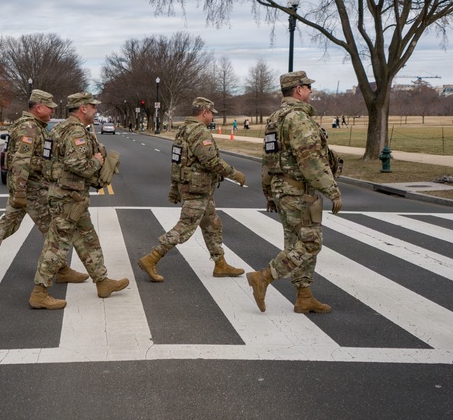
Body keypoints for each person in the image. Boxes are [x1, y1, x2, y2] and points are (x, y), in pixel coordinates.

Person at [0, 89, 87, 285]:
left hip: (26, 188)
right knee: (53, 231)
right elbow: (21, 162)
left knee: (7, 225)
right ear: (38, 107)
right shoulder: (30, 128)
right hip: (31, 189)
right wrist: (21, 192)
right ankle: (61, 270)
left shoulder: (32, 126)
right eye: (49, 108)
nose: (52, 112)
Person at [247, 71, 342, 315]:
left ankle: (304, 297)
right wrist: (332, 190)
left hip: (283, 189)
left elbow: (268, 159)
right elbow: (311, 160)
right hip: (299, 191)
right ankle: (264, 277)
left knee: (295, 244)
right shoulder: (298, 118)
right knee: (311, 243)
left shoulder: (275, 119)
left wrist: (269, 192)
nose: (311, 90)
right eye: (308, 86)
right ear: (298, 89)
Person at [30, 92, 128, 309]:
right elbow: (77, 164)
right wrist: (96, 161)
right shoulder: (75, 132)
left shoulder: (59, 128)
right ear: (83, 108)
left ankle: (102, 282)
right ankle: (39, 292)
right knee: (57, 245)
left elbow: (48, 163)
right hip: (68, 198)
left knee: (88, 239)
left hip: (68, 195)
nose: (96, 110)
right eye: (93, 106)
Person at [138, 98, 246, 283]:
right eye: (211, 113)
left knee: (212, 224)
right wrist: (234, 174)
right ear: (204, 112)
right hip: (197, 190)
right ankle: (151, 258)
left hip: (197, 187)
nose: (212, 117)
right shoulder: (199, 132)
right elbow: (211, 161)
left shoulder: (184, 130)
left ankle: (220, 263)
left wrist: (175, 188)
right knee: (185, 227)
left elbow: (177, 162)